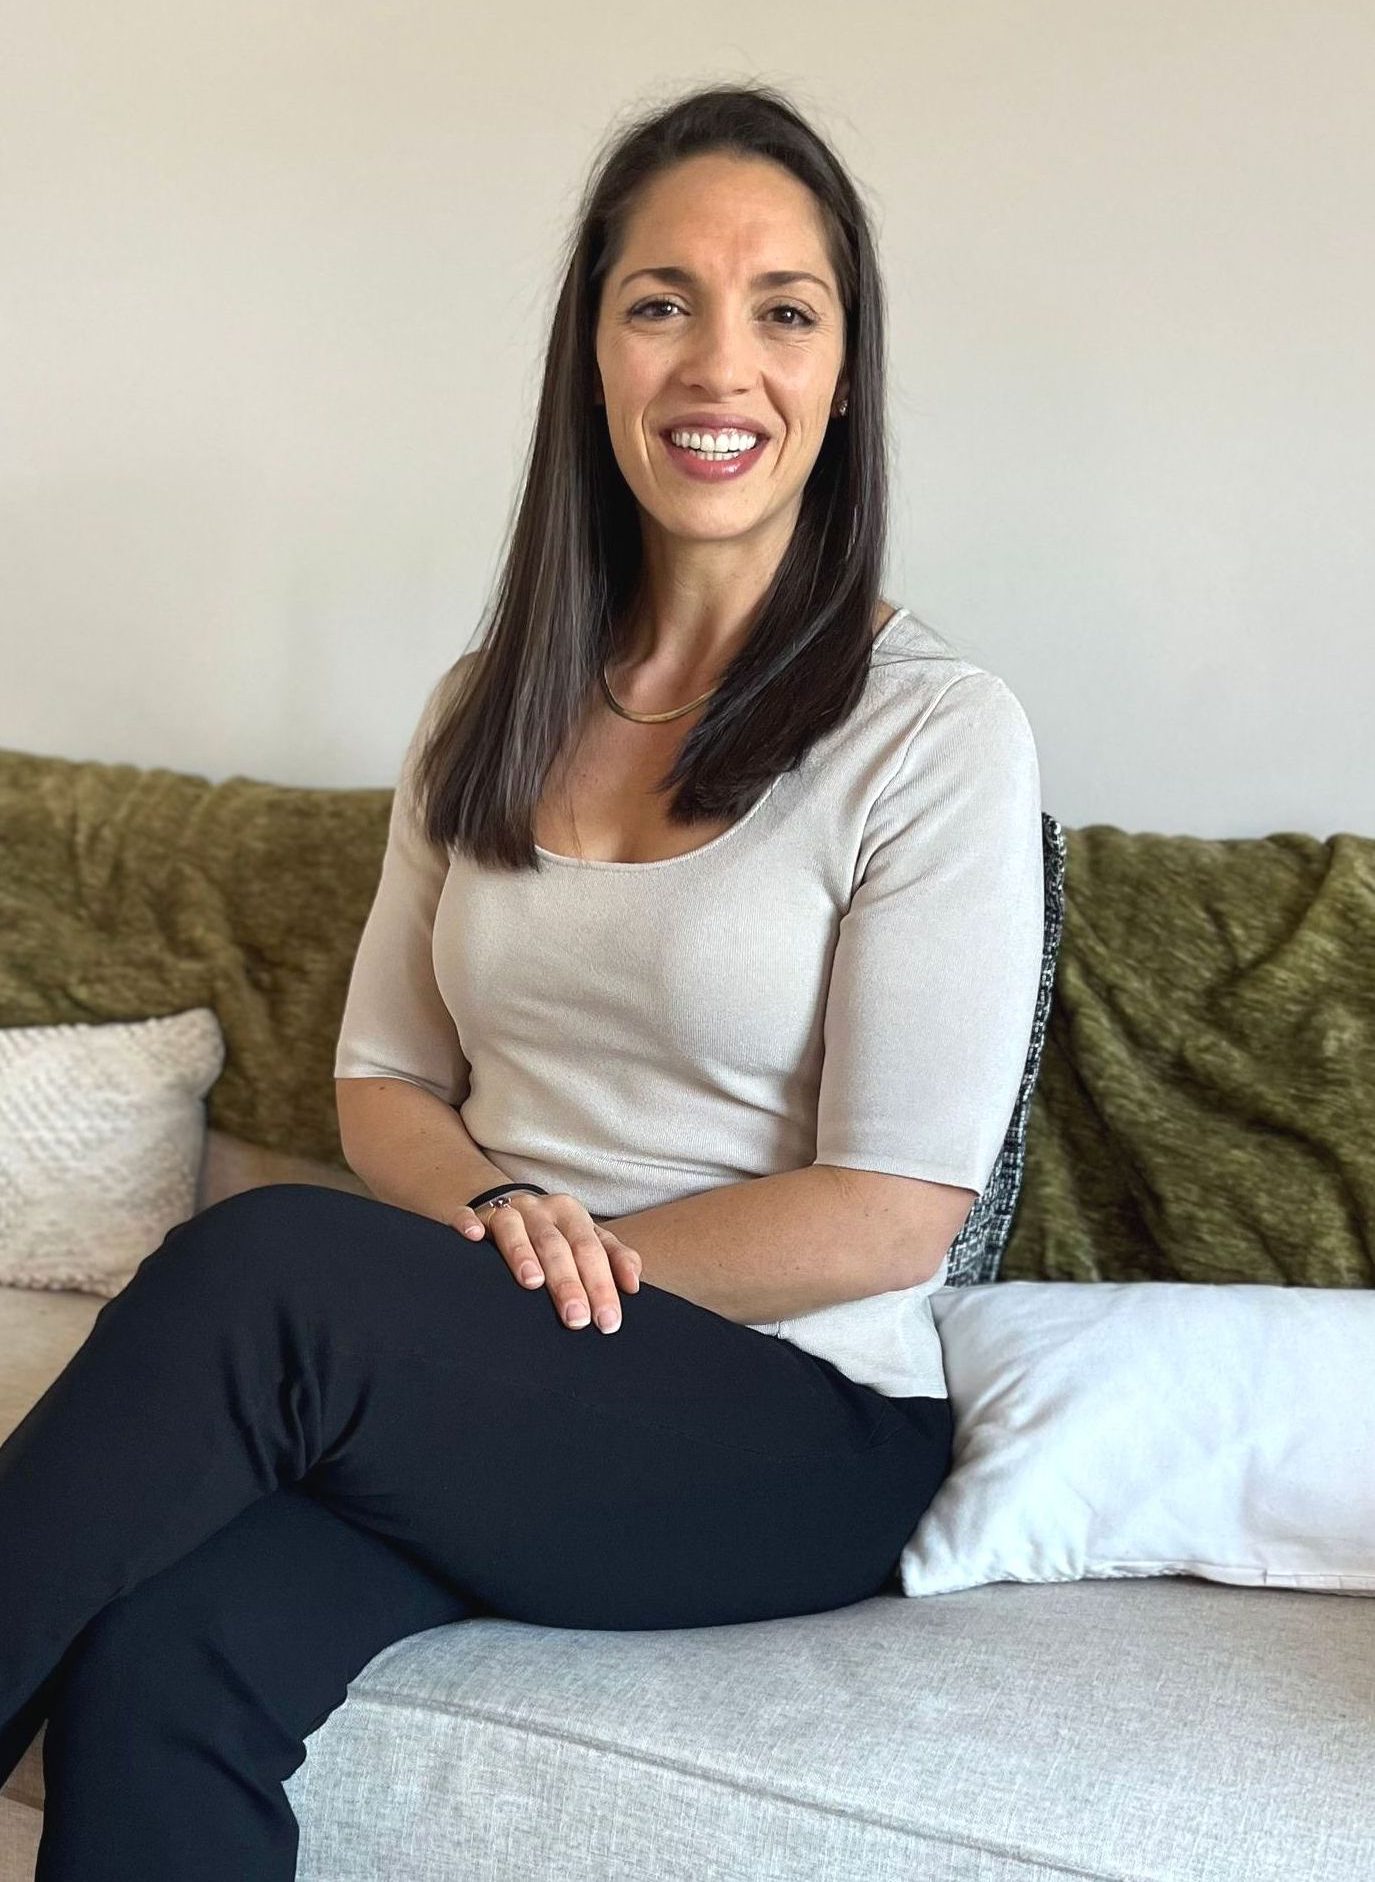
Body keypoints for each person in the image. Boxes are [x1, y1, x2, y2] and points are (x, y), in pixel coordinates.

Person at [0, 80, 1044, 1878]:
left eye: (783, 311)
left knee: (270, 1265)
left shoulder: (934, 734)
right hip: (490, 1371)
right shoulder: (484, 705)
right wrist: (492, 1224)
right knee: (162, 1661)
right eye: (662, 302)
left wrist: (536, 1275)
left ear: (844, 373)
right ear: (591, 350)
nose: (719, 364)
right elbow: (387, 1078)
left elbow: (893, 1209)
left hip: (790, 1426)